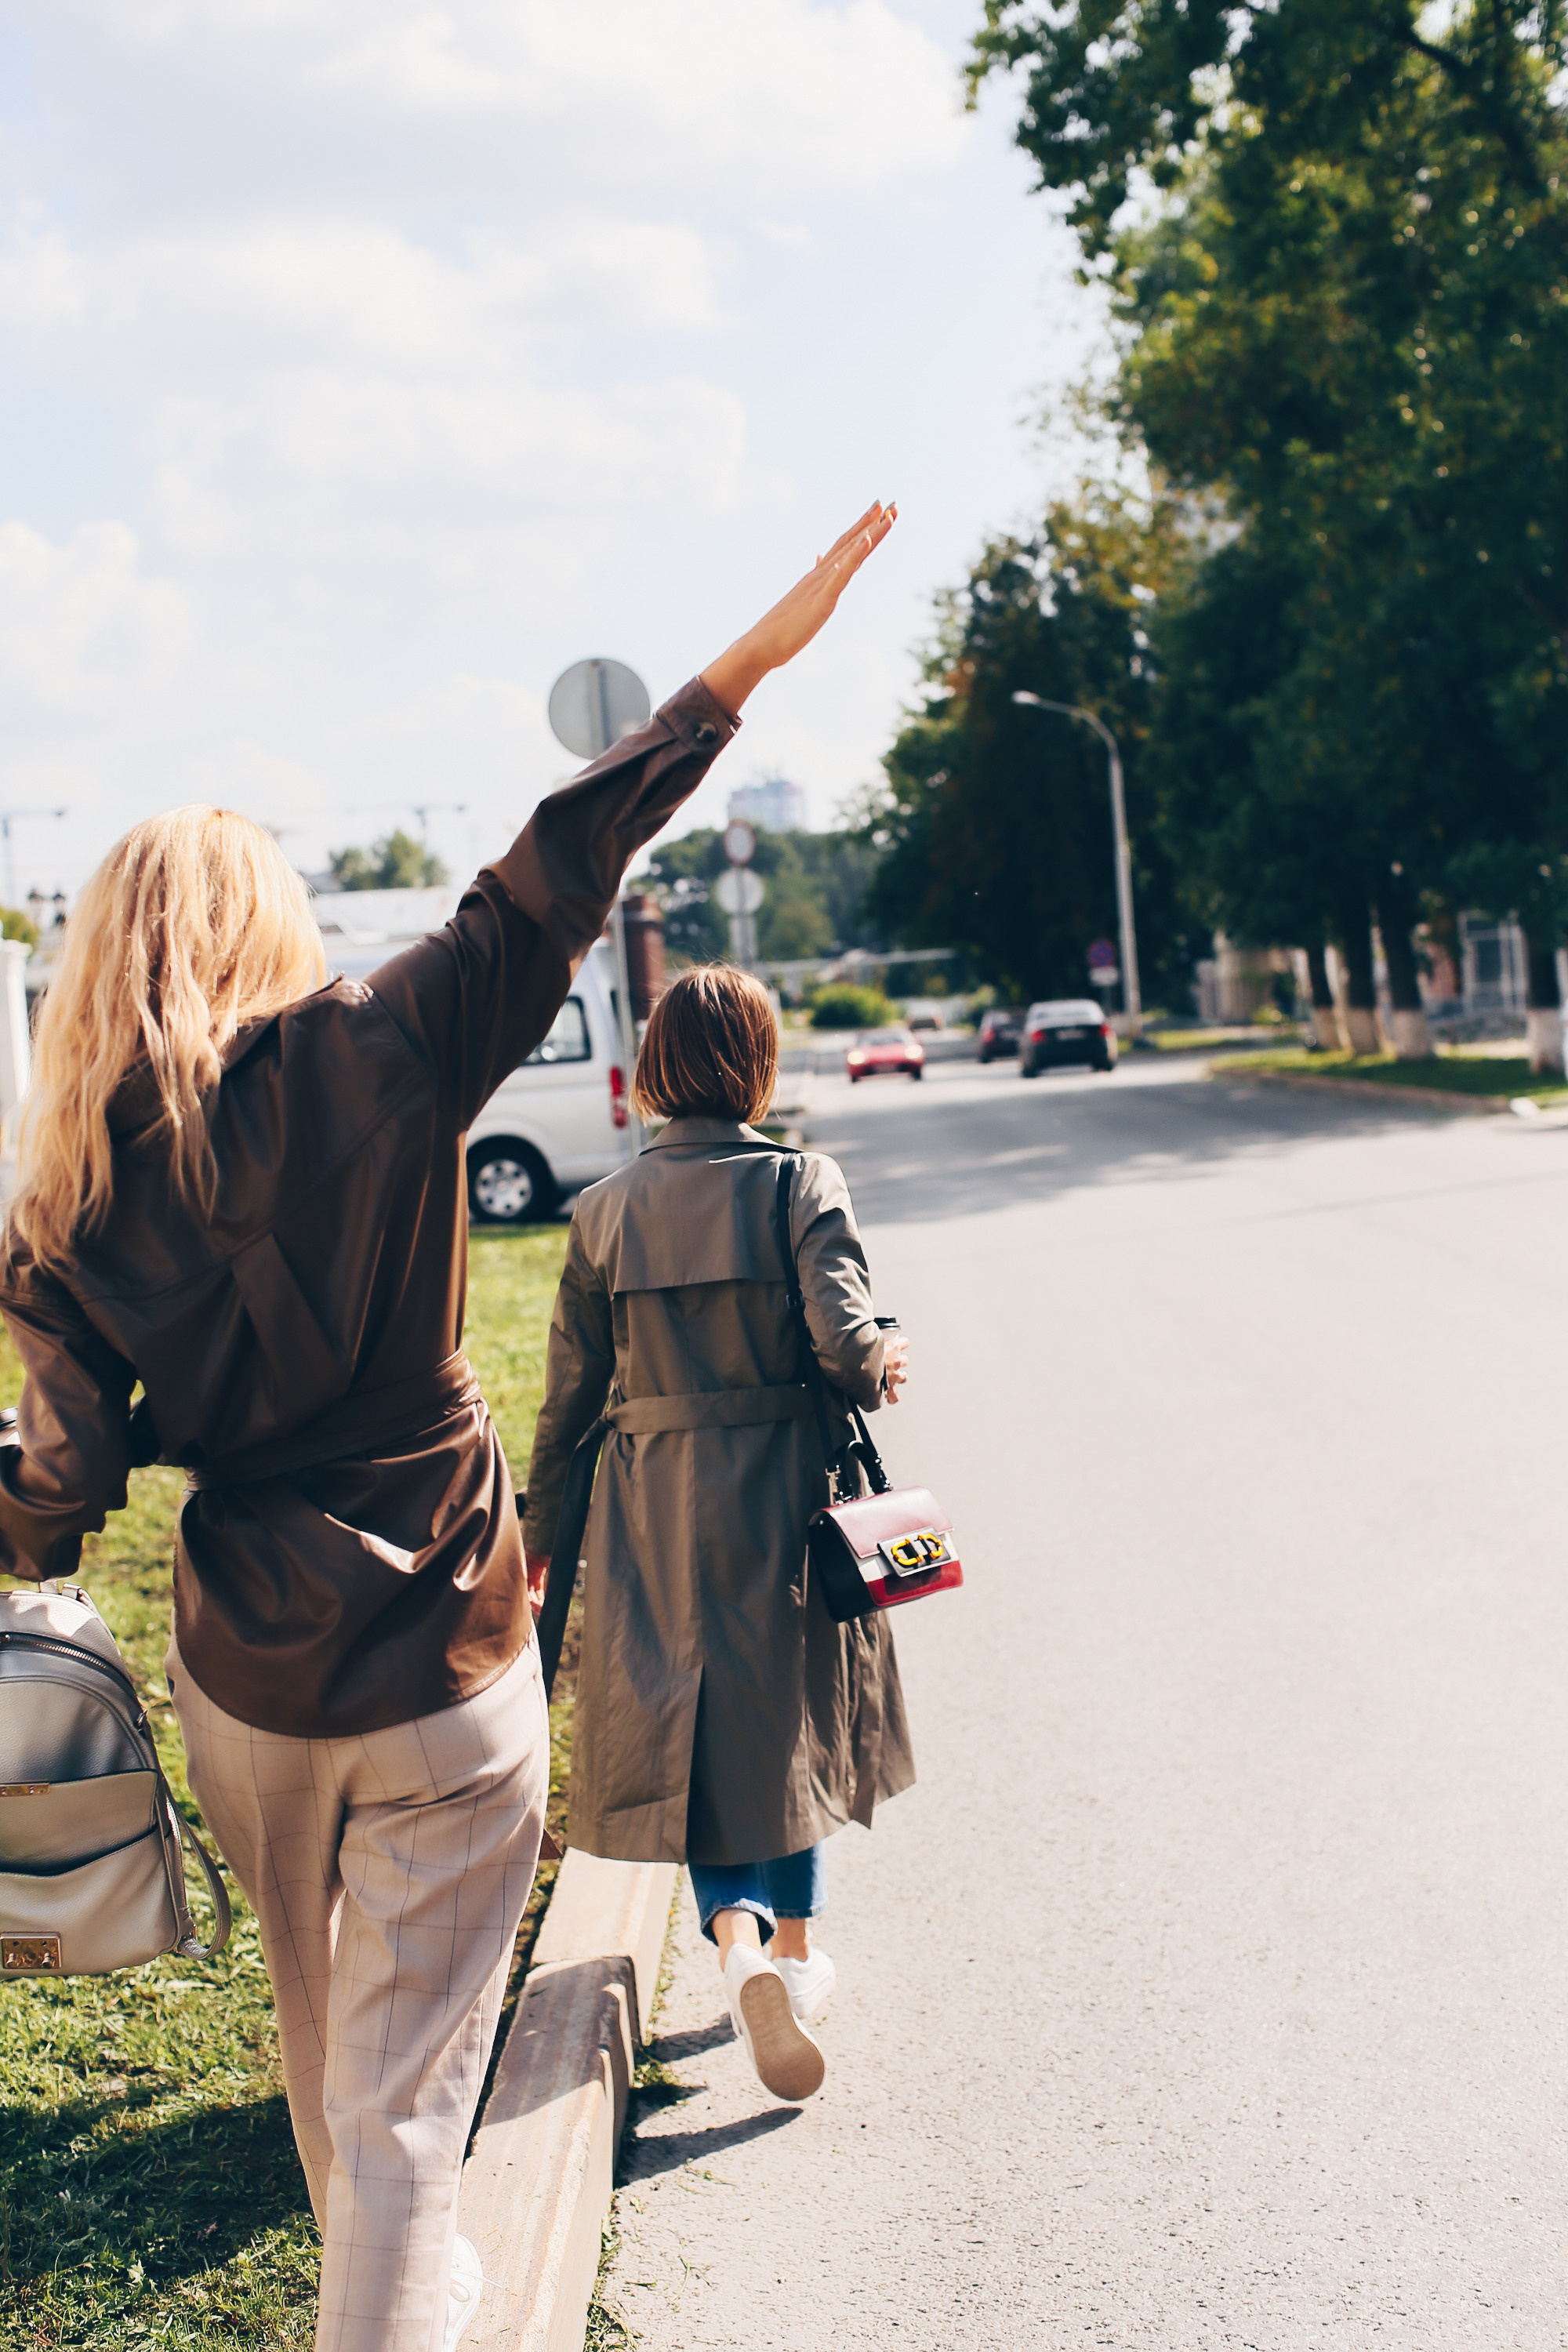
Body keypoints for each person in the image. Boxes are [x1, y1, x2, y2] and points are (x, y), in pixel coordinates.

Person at [0, 501, 895, 2352]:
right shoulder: (379, 1049)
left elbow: (54, 1501)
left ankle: (405, 2286)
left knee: (335, 2045)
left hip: (247, 1670)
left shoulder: (65, 1202)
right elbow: (556, 867)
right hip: (450, 1645)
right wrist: (738, 668)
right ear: (271, 925)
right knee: (410, 2100)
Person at [523, 962, 914, 2104]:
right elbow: (845, 1347)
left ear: (654, 1068)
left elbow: (565, 1401)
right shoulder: (800, 1182)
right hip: (786, 1494)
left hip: (650, 1504)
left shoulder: (600, 1212)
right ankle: (792, 1953)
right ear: (757, 1062)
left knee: (690, 1721)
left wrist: (545, 1532)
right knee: (782, 1716)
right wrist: (887, 1353)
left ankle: (735, 1937)